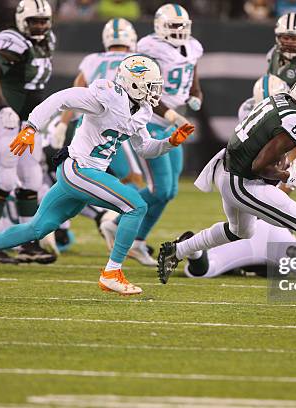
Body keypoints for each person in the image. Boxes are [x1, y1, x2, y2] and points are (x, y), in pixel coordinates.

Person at [0, 55, 195, 295]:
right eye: (150, 86)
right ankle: (112, 273)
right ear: (133, 83)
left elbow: (145, 148)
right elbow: (61, 98)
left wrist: (170, 143)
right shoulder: (108, 95)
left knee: (36, 229)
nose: (155, 92)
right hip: (79, 169)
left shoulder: (141, 110)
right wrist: (31, 127)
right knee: (136, 206)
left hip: (86, 175)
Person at [157, 74, 296, 307]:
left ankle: (176, 251)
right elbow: (260, 166)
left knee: (241, 231)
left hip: (229, 170)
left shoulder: (278, 100)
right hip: (242, 180)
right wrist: (287, 175)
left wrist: (279, 167)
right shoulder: (295, 122)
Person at [103, 3, 204, 266]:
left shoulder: (192, 46)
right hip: (150, 120)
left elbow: (192, 71)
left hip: (171, 124)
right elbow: (144, 91)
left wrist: (196, 93)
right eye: (173, 26)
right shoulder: (149, 48)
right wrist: (172, 114)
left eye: (183, 25)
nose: (179, 30)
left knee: (169, 191)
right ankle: (115, 223)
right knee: (159, 188)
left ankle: (137, 242)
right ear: (160, 26)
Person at [0, 0, 56, 264]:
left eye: (43, 21)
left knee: (32, 179)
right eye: (34, 21)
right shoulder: (12, 39)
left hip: (28, 119)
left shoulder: (47, 41)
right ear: (22, 20)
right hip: (0, 113)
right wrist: (2, 105)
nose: (40, 26)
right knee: (5, 181)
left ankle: (27, 244)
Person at [50, 18, 142, 254]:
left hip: (88, 123)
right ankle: (118, 231)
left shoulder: (92, 60)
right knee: (130, 182)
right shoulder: (133, 61)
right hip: (116, 126)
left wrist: (62, 124)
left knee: (85, 179)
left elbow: (75, 92)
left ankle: (71, 225)